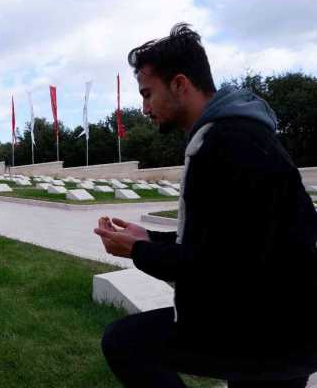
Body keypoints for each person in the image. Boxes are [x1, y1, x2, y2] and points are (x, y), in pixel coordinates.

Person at [95, 23, 317, 387]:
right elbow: (222, 239)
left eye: (148, 94)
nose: (144, 108)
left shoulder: (227, 143)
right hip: (277, 321)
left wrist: (139, 251)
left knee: (126, 342)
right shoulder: (237, 134)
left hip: (269, 333)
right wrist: (148, 237)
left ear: (180, 84)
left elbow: (223, 265)